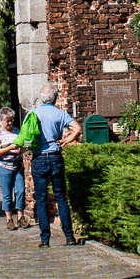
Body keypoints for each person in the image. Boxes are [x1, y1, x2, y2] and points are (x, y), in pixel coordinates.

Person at [27, 85, 84, 247]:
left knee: (41, 199)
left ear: (41, 98)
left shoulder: (33, 114)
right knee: (61, 197)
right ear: (55, 98)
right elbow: (77, 128)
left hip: (39, 158)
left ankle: (45, 239)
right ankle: (69, 237)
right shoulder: (60, 113)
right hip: (55, 156)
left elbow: (26, 138)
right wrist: (67, 139)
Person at [0, 107, 28, 230]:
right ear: (1, 120)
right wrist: (10, 147)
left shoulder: (17, 131)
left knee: (20, 190)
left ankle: (21, 216)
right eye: (8, 121)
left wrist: (23, 148)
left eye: (12, 120)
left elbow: (24, 146)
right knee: (7, 194)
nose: (10, 123)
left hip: (17, 165)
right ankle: (9, 218)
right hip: (4, 166)